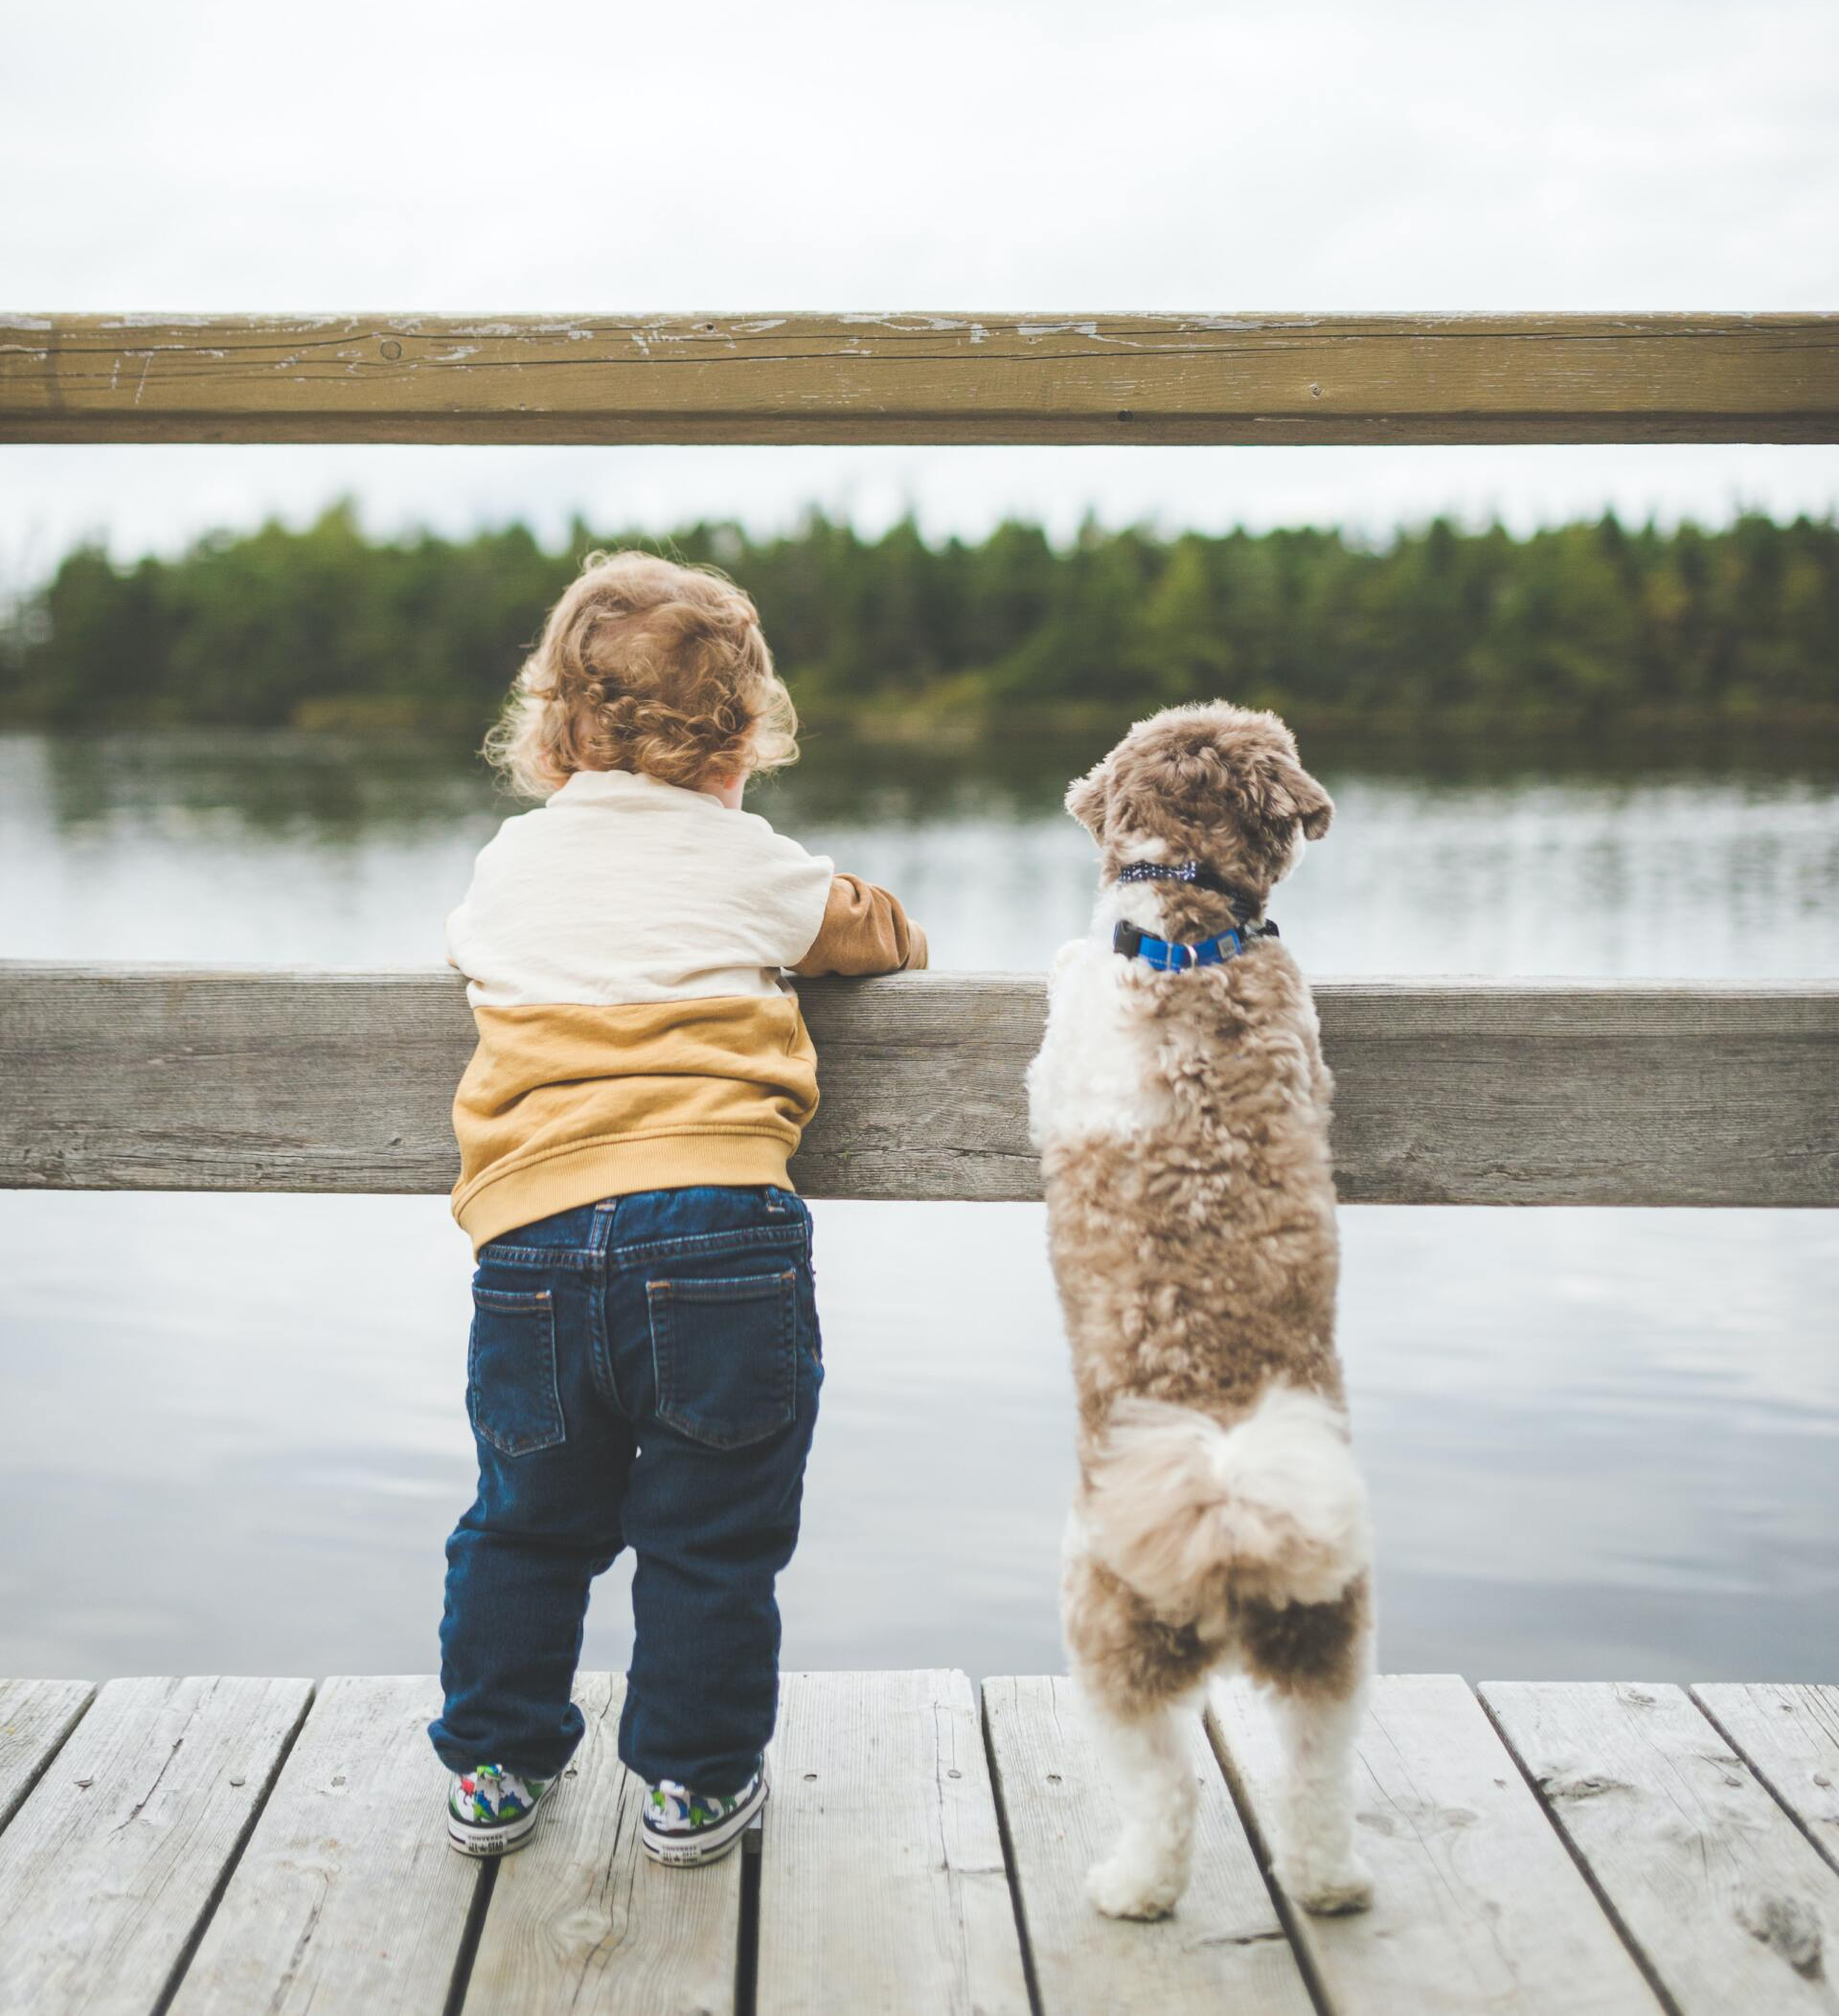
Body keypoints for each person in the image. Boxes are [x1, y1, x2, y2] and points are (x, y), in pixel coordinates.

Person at [428, 550, 926, 1865]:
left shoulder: (510, 866)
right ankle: (694, 1789)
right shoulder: (750, 862)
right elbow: (879, 937)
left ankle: (492, 1767)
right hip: (716, 1236)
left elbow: (470, 948)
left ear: (551, 732)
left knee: (525, 1522)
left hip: (530, 1243)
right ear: (746, 734)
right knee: (712, 1539)